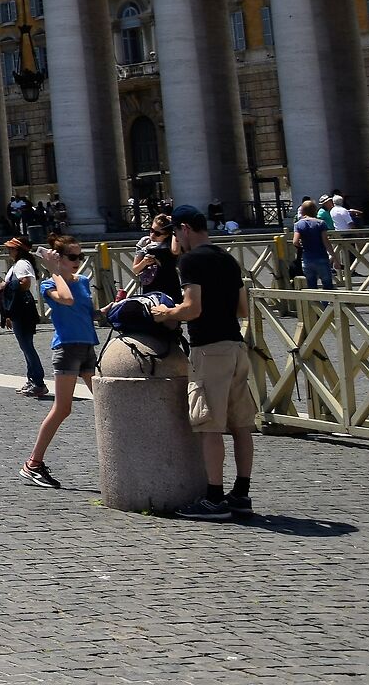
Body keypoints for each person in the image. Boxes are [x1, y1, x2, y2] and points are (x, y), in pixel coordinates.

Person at [153, 207, 256, 518]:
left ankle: (213, 498)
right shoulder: (227, 258)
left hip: (210, 349)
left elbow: (192, 308)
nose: (174, 239)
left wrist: (165, 314)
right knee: (241, 425)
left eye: (174, 233)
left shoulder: (190, 261)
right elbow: (243, 309)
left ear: (185, 229)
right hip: (236, 347)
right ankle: (241, 493)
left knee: (209, 425)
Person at [19, 235, 97, 488]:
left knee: (108, 402)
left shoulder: (84, 281)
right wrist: (54, 272)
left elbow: (86, 311)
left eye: (80, 257)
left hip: (87, 346)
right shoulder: (48, 285)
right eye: (72, 257)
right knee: (63, 408)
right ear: (59, 258)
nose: (77, 262)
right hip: (66, 348)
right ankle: (33, 463)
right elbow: (66, 299)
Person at [0, 237, 48, 399]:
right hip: (20, 309)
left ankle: (38, 382)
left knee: (27, 346)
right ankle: (32, 379)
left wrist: (5, 286)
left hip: (22, 309)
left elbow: (25, 283)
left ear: (19, 250)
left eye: (11, 249)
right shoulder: (21, 264)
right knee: (25, 346)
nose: (9, 252)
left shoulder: (21, 265)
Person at [292, 199, 335, 289]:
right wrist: (334, 257)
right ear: (314, 210)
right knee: (327, 284)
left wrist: (301, 245)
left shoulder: (298, 224)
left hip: (307, 258)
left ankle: (315, 303)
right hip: (321, 256)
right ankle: (325, 303)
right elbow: (326, 241)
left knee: (311, 286)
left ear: (303, 210)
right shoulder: (320, 223)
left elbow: (295, 241)